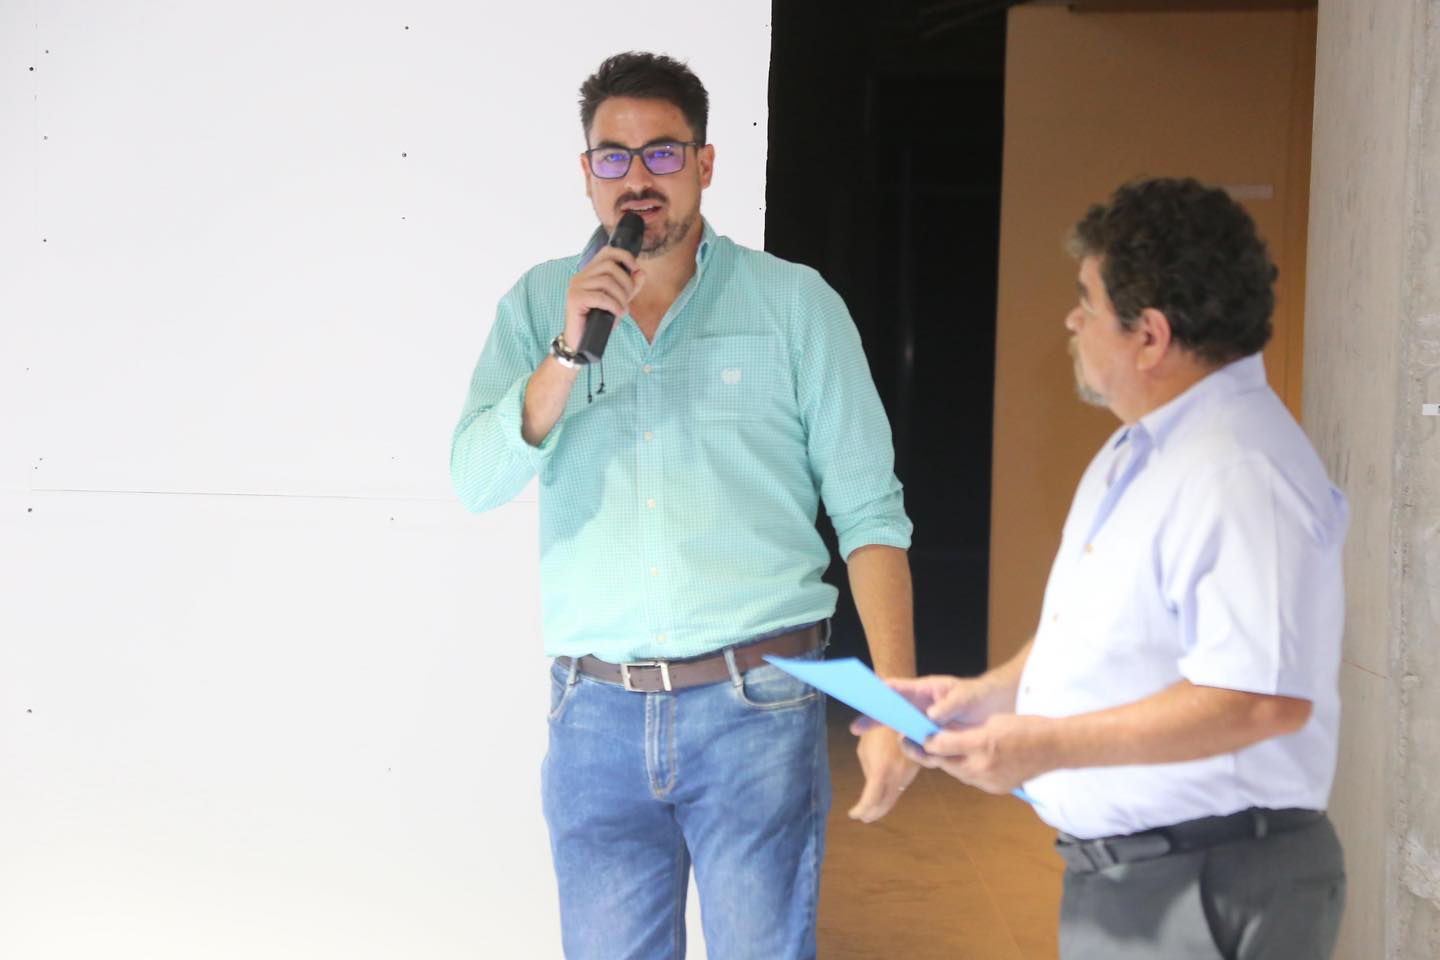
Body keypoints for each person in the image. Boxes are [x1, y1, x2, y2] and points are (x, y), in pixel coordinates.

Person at [450, 51, 918, 959]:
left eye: (663, 153)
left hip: (758, 705)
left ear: (704, 163)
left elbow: (870, 514)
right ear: (587, 172)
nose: (638, 178)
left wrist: (894, 704)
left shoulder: (795, 305)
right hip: (594, 716)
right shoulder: (540, 304)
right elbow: (476, 481)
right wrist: (565, 355)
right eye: (614, 157)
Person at [860, 178, 1348, 959]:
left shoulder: (1239, 471)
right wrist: (990, 694)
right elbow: (1094, 631)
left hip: (1210, 883)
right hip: (1142, 880)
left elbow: (1259, 699)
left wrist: (1046, 745)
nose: (1071, 319)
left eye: (1086, 300)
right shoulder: (1137, 450)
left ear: (1149, 336)